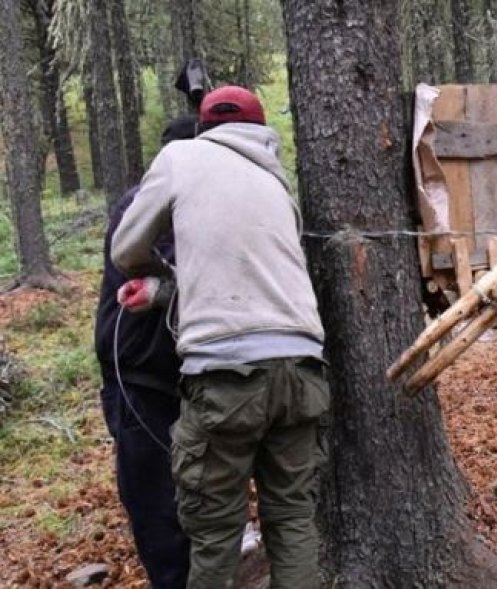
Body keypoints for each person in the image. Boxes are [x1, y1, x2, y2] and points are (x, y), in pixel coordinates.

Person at [110, 86, 329, 589]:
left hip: (224, 374)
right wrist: (171, 291)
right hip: (302, 368)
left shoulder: (181, 156)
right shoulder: (278, 183)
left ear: (204, 127)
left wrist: (157, 279)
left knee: (214, 532)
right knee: (294, 519)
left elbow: (126, 249)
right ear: (261, 128)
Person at [94, 114, 198, 589]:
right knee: (154, 502)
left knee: (193, 491)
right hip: (138, 377)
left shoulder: (195, 198)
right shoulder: (143, 204)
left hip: (181, 373)